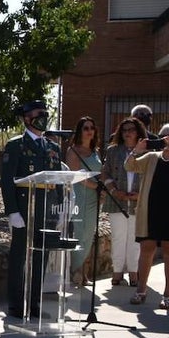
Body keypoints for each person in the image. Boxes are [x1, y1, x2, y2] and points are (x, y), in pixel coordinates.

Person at [0, 100, 63, 319]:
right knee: (20, 258)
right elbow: (7, 180)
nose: (43, 117)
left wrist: (61, 207)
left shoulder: (53, 147)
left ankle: (34, 302)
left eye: (45, 113)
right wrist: (12, 211)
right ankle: (17, 304)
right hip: (24, 209)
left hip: (47, 210)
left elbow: (59, 180)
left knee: (41, 257)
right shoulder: (16, 145)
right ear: (27, 118)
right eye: (38, 114)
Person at [125, 123, 169, 310]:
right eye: (163, 135)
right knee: (146, 248)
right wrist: (137, 149)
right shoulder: (151, 157)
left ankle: (168, 292)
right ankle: (141, 290)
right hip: (151, 209)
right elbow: (129, 166)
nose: (167, 138)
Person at [99, 117, 143, 287]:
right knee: (118, 237)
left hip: (138, 202)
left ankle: (133, 273)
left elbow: (151, 177)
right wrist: (114, 191)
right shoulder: (113, 151)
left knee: (134, 239)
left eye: (131, 129)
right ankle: (117, 272)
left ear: (138, 132)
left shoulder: (146, 152)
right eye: (124, 130)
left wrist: (141, 195)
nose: (127, 133)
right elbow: (105, 173)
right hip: (117, 201)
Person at [65, 116, 103, 287]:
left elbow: (100, 172)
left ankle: (84, 272)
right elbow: (75, 175)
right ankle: (76, 272)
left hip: (94, 198)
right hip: (79, 195)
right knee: (79, 233)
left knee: (89, 234)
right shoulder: (73, 151)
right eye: (85, 128)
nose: (89, 131)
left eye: (91, 128)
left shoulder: (96, 151)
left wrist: (100, 190)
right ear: (80, 131)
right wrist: (95, 186)